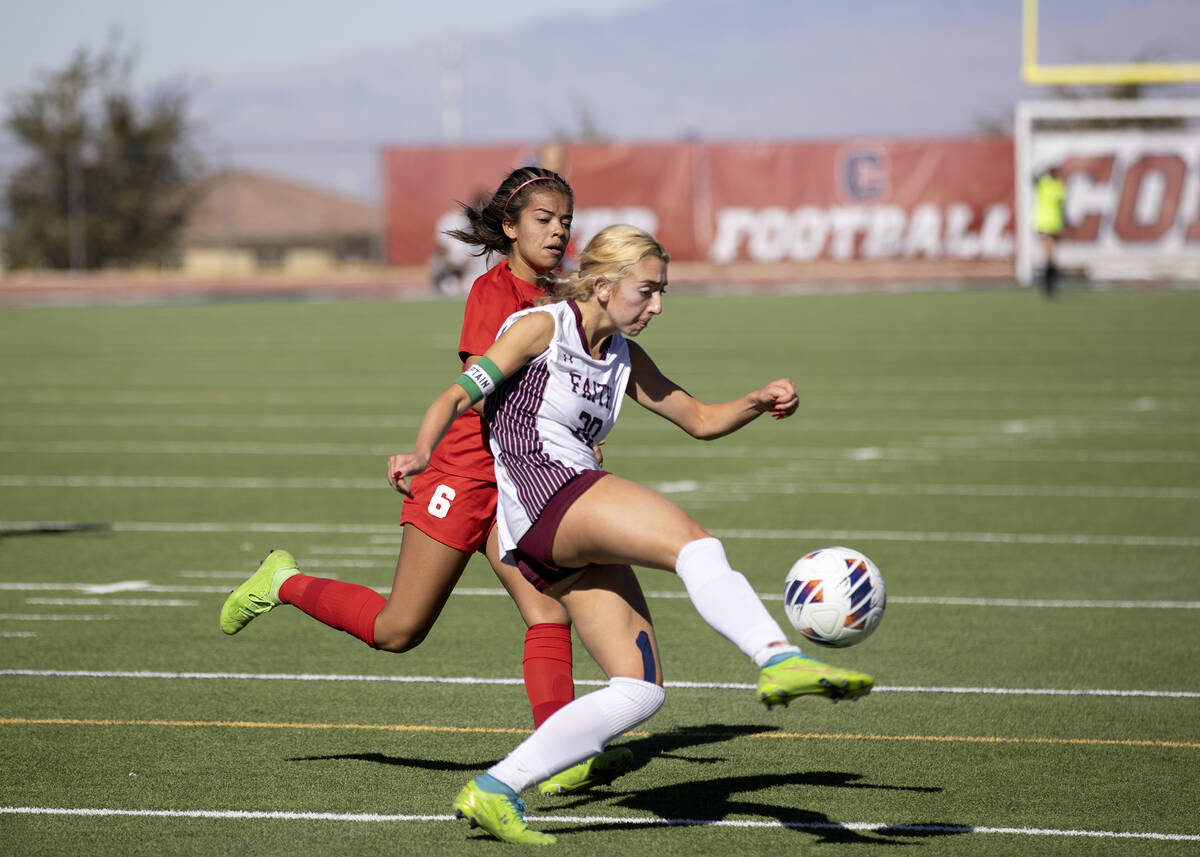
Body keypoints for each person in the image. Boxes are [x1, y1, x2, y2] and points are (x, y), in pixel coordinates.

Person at [387, 225, 874, 845]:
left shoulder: (622, 354)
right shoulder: (542, 328)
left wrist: (757, 401)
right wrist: (421, 453)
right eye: (647, 291)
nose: (657, 306)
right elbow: (456, 395)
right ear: (602, 284)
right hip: (547, 496)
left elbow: (697, 419)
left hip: (559, 521)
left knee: (639, 691)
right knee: (694, 543)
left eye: (662, 292)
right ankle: (776, 658)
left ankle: (496, 788)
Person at [219, 167, 633, 796]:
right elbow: (487, 392)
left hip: (516, 482)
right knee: (399, 631)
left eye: (566, 222)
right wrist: (424, 449)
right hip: (466, 477)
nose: (557, 232)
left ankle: (559, 751)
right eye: (544, 220)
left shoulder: (558, 296)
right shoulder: (495, 295)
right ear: (510, 226)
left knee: (547, 613)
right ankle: (282, 580)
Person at [1033, 165, 1066, 297]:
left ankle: (1049, 283)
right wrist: (1042, 171)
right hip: (1044, 224)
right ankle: (1049, 284)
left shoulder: (1058, 186)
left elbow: (1062, 207)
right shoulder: (1044, 184)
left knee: (1050, 255)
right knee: (1050, 254)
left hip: (1054, 225)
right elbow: (1033, 178)